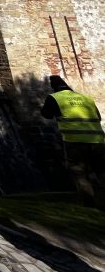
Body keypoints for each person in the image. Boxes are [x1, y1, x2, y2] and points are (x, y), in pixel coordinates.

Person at [41, 75, 105, 208]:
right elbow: (98, 117)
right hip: (98, 140)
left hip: (75, 141)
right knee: (102, 171)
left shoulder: (55, 98)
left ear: (54, 88)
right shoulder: (86, 98)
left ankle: (89, 204)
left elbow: (46, 114)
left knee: (79, 172)